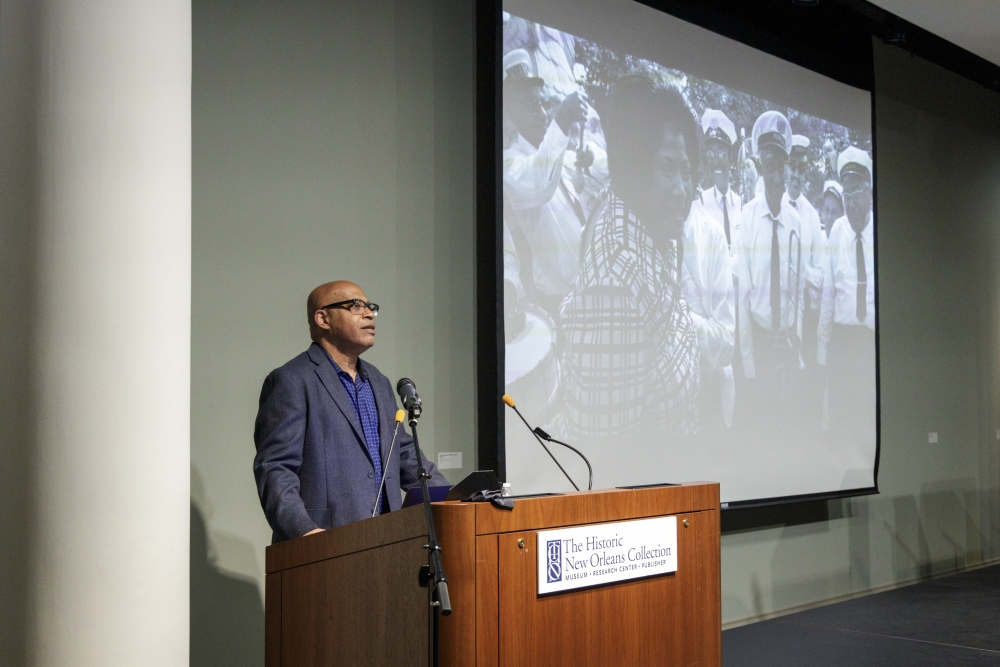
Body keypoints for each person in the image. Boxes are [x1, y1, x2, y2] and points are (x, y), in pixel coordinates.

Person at [559, 75, 708, 438]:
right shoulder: (618, 282)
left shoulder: (656, 232)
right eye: (667, 168)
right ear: (636, 169)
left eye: (686, 171)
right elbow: (611, 456)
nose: (682, 189)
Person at [253, 281, 447, 543]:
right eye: (356, 305)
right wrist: (305, 532)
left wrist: (455, 499)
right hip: (325, 545)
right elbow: (276, 468)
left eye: (370, 307)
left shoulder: (378, 382)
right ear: (323, 318)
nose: (368, 313)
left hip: (388, 542)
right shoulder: (292, 380)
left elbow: (403, 455)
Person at [502, 48, 604, 320]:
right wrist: (561, 120)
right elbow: (540, 185)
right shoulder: (509, 163)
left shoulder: (558, 154)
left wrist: (590, 160)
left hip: (592, 290)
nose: (543, 113)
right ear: (511, 115)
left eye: (543, 104)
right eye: (532, 105)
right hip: (560, 305)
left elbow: (602, 178)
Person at [737, 110, 804, 432]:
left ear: (787, 170)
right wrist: (749, 365)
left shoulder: (796, 223)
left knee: (788, 426)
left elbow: (800, 291)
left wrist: (798, 345)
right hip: (762, 342)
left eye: (781, 168)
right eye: (770, 169)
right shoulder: (746, 220)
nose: (777, 178)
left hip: (788, 344)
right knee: (762, 427)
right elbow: (743, 300)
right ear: (762, 172)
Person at [817, 148, 876, 448]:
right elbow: (828, 294)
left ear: (869, 193)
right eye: (846, 195)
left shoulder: (880, 232)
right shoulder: (836, 232)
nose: (851, 204)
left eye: (857, 195)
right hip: (841, 341)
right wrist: (822, 352)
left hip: (869, 343)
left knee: (866, 426)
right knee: (841, 428)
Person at [693, 108, 741, 428]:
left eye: (722, 151)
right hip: (711, 301)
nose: (717, 159)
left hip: (739, 302)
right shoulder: (698, 203)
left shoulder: (741, 205)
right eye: (712, 152)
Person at [784, 134, 826, 431]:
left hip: (804, 317)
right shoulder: (771, 205)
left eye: (802, 167)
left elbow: (820, 272)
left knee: (802, 386)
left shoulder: (811, 216)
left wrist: (800, 273)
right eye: (792, 166)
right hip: (777, 315)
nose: (797, 173)